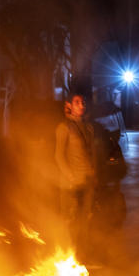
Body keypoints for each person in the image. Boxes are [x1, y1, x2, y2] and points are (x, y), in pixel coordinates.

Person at [54, 91, 98, 253]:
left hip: (87, 181)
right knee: (70, 221)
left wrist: (94, 175)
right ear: (69, 106)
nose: (82, 105)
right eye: (77, 102)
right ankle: (69, 254)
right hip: (71, 184)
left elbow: (92, 154)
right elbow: (58, 156)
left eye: (83, 102)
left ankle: (83, 253)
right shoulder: (64, 127)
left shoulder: (88, 127)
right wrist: (70, 177)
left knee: (86, 218)